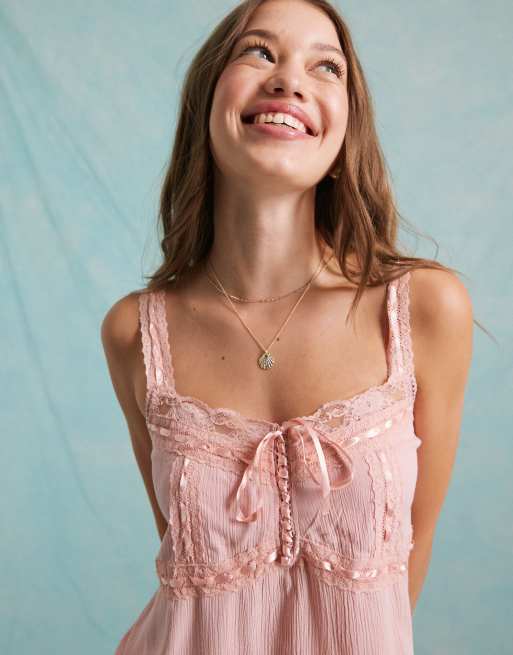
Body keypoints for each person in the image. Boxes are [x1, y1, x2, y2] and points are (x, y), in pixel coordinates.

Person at [101, 0, 475, 652]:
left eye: (325, 66)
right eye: (259, 51)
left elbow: (401, 582)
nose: (289, 80)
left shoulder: (424, 311)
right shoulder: (135, 332)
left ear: (345, 131)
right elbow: (193, 587)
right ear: (207, 101)